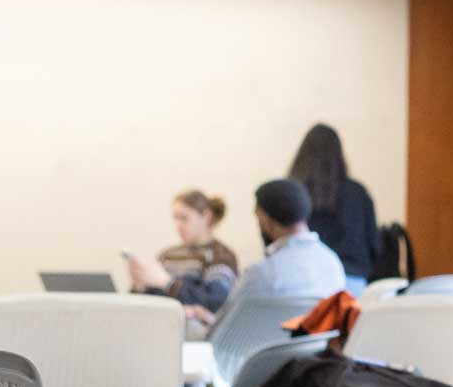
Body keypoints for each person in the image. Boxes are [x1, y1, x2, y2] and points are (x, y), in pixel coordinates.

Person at [196, 180, 345, 326]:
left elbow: (224, 328)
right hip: (316, 349)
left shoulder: (262, 274)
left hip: (264, 350)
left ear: (267, 220)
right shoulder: (333, 264)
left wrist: (202, 318)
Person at [289, 124, 377, 296]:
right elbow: (374, 244)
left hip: (306, 282)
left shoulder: (297, 194)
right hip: (354, 283)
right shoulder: (358, 193)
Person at [126, 190, 240, 320]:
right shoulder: (167, 254)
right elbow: (146, 303)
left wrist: (167, 282)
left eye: (184, 218)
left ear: (206, 216)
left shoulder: (221, 256)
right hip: (157, 322)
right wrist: (138, 286)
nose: (178, 225)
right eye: (175, 218)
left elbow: (214, 302)